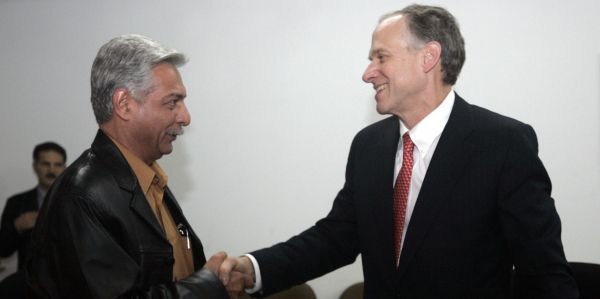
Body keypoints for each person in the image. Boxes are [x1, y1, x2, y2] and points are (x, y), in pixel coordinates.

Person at [220, 4, 580, 298]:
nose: (367, 73)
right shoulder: (369, 146)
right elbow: (336, 237)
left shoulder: (502, 144)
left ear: (428, 57)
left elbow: (543, 272)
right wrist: (254, 269)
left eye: (381, 57)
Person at [26, 34, 248, 298]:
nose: (186, 117)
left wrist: (215, 277)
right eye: (172, 102)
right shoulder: (83, 197)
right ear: (124, 104)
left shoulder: (148, 178)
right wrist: (208, 287)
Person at [0, 142, 66, 298]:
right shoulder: (16, 202)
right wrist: (17, 226)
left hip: (67, 283)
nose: (51, 170)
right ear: (35, 166)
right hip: (28, 284)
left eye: (57, 164)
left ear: (64, 168)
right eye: (45, 164)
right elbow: (3, 249)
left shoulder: (78, 200)